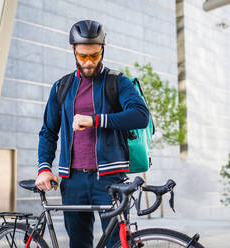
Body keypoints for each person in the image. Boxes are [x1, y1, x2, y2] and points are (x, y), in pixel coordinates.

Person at [35, 20, 149, 248]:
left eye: (94, 56)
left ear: (102, 50)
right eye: (83, 56)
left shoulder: (117, 82)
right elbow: (48, 131)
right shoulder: (61, 87)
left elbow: (140, 116)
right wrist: (44, 167)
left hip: (110, 178)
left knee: (118, 243)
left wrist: (96, 120)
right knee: (78, 243)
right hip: (72, 179)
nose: (88, 63)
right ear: (74, 51)